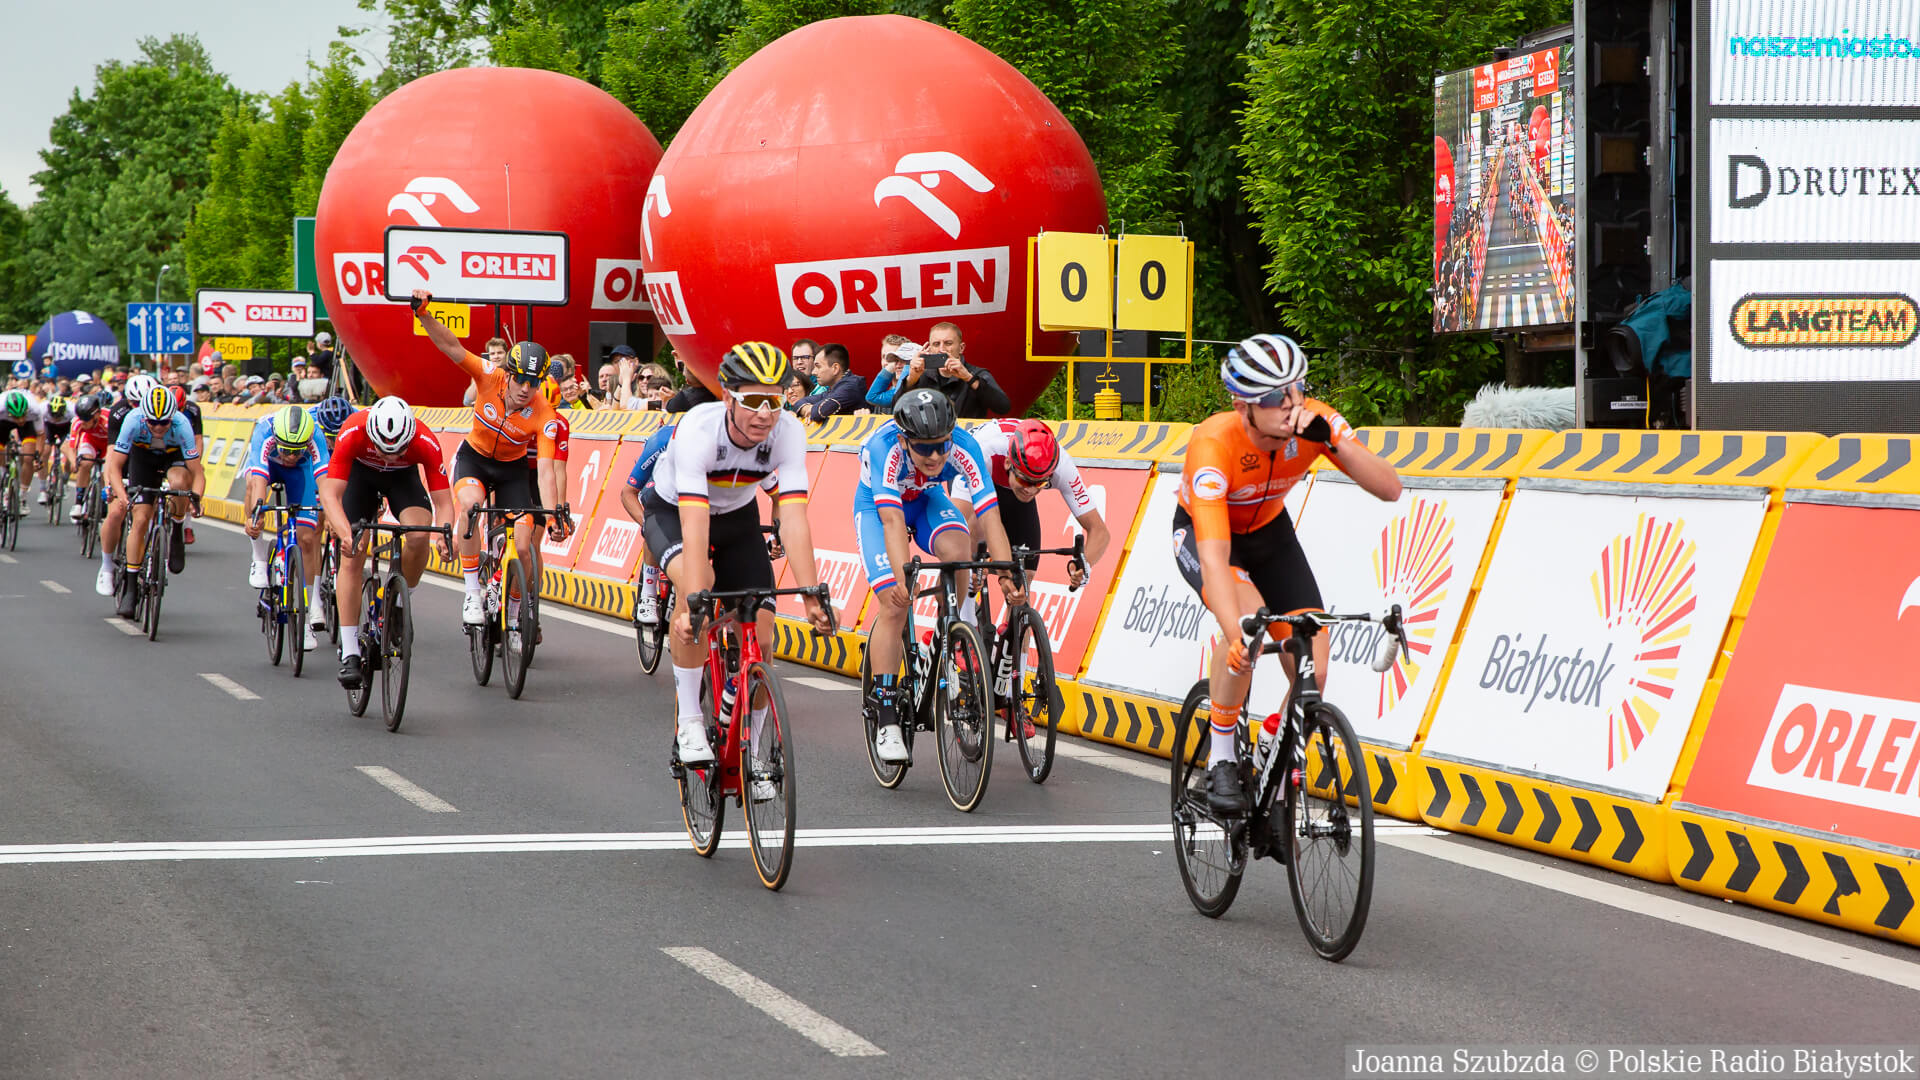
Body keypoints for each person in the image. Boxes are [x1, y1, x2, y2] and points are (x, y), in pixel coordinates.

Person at [1176, 334, 1402, 813]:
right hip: (1208, 535)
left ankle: (1273, 763)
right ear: (1244, 407)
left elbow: (1390, 488)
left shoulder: (1315, 422)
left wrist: (1335, 443)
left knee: (1313, 664)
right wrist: (1232, 631)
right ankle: (1219, 759)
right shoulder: (1214, 444)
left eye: (1298, 389)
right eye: (1277, 398)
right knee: (1250, 629)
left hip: (1270, 534)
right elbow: (1215, 557)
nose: (1291, 405)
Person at [642, 342, 834, 770]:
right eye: (753, 401)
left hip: (737, 515)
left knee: (763, 637)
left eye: (775, 399)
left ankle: (757, 756)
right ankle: (690, 719)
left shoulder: (789, 432)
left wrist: (811, 596)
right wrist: (693, 596)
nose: (766, 413)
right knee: (699, 600)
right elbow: (694, 526)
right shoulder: (698, 429)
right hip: (674, 511)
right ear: (727, 398)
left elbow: (796, 519)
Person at [855, 387, 1021, 764]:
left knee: (959, 546)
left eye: (941, 446)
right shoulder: (885, 449)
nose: (935, 456)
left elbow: (990, 513)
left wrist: (1005, 569)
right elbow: (892, 520)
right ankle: (885, 713)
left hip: (927, 499)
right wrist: (901, 579)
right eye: (924, 448)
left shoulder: (964, 445)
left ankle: (955, 625)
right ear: (905, 439)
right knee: (894, 605)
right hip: (879, 508)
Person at [411, 289, 568, 626]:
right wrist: (424, 314)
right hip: (475, 459)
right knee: (469, 507)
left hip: (511, 472)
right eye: (521, 379)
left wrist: (553, 515)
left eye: (534, 382)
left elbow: (545, 471)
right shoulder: (487, 375)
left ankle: (514, 612)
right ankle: (471, 594)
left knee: (524, 547)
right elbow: (452, 347)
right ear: (508, 374)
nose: (526, 388)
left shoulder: (545, 415)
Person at [318, 397, 455, 687]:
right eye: (383, 449)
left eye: (398, 450)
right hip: (360, 476)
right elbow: (331, 495)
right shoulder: (353, 430)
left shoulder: (425, 440)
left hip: (402, 479)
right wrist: (344, 532)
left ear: (410, 437)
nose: (389, 456)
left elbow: (444, 501)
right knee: (353, 553)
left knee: (419, 534)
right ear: (372, 435)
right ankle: (351, 651)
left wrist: (445, 535)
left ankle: (398, 603)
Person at [100, 385, 205, 615]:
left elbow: (197, 472)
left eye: (164, 423)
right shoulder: (132, 420)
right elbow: (115, 466)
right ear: (144, 416)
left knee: (179, 484)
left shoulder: (181, 424)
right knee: (140, 519)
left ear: (172, 418)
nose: (158, 427)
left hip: (173, 456)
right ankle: (130, 587)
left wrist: (195, 499)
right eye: (153, 423)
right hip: (142, 459)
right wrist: (122, 494)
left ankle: (176, 529)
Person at [241, 405, 332, 651]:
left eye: (296, 450)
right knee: (251, 488)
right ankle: (259, 557)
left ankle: (311, 609)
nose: (291, 455)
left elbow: (325, 484)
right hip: (269, 467)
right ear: (278, 439)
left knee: (309, 538)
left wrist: (331, 513)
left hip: (301, 474)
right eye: (287, 450)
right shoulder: (264, 431)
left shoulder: (316, 436)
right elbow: (260, 483)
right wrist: (256, 516)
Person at [900, 322, 1010, 418]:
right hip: (929, 438)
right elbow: (896, 408)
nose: (942, 349)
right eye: (936, 344)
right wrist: (911, 380)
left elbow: (1003, 407)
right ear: (929, 349)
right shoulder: (921, 374)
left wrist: (969, 378)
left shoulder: (977, 374)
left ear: (961, 348)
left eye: (948, 343)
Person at [63, 395, 112, 522]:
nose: (83, 423)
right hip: (90, 442)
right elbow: (72, 447)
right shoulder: (77, 422)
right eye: (81, 419)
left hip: (109, 445)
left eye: (86, 420)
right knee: (85, 463)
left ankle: (104, 503)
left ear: (96, 416)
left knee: (106, 471)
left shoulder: (108, 419)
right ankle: (78, 503)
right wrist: (74, 462)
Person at [794, 343, 866, 422]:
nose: (813, 372)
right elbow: (799, 403)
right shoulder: (834, 388)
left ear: (835, 368)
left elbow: (821, 411)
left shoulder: (851, 387)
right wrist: (809, 410)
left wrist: (809, 411)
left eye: (818, 366)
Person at [0, 388, 47, 506]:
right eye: (16, 417)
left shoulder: (35, 410)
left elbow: (41, 435)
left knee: (28, 458)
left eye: (22, 416)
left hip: (28, 424)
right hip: (3, 423)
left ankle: (22, 496)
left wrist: (38, 456)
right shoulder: (1, 408)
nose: (20, 420)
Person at [864, 336, 914, 410]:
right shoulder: (884, 395)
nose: (890, 361)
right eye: (885, 357)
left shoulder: (916, 391)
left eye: (898, 356)